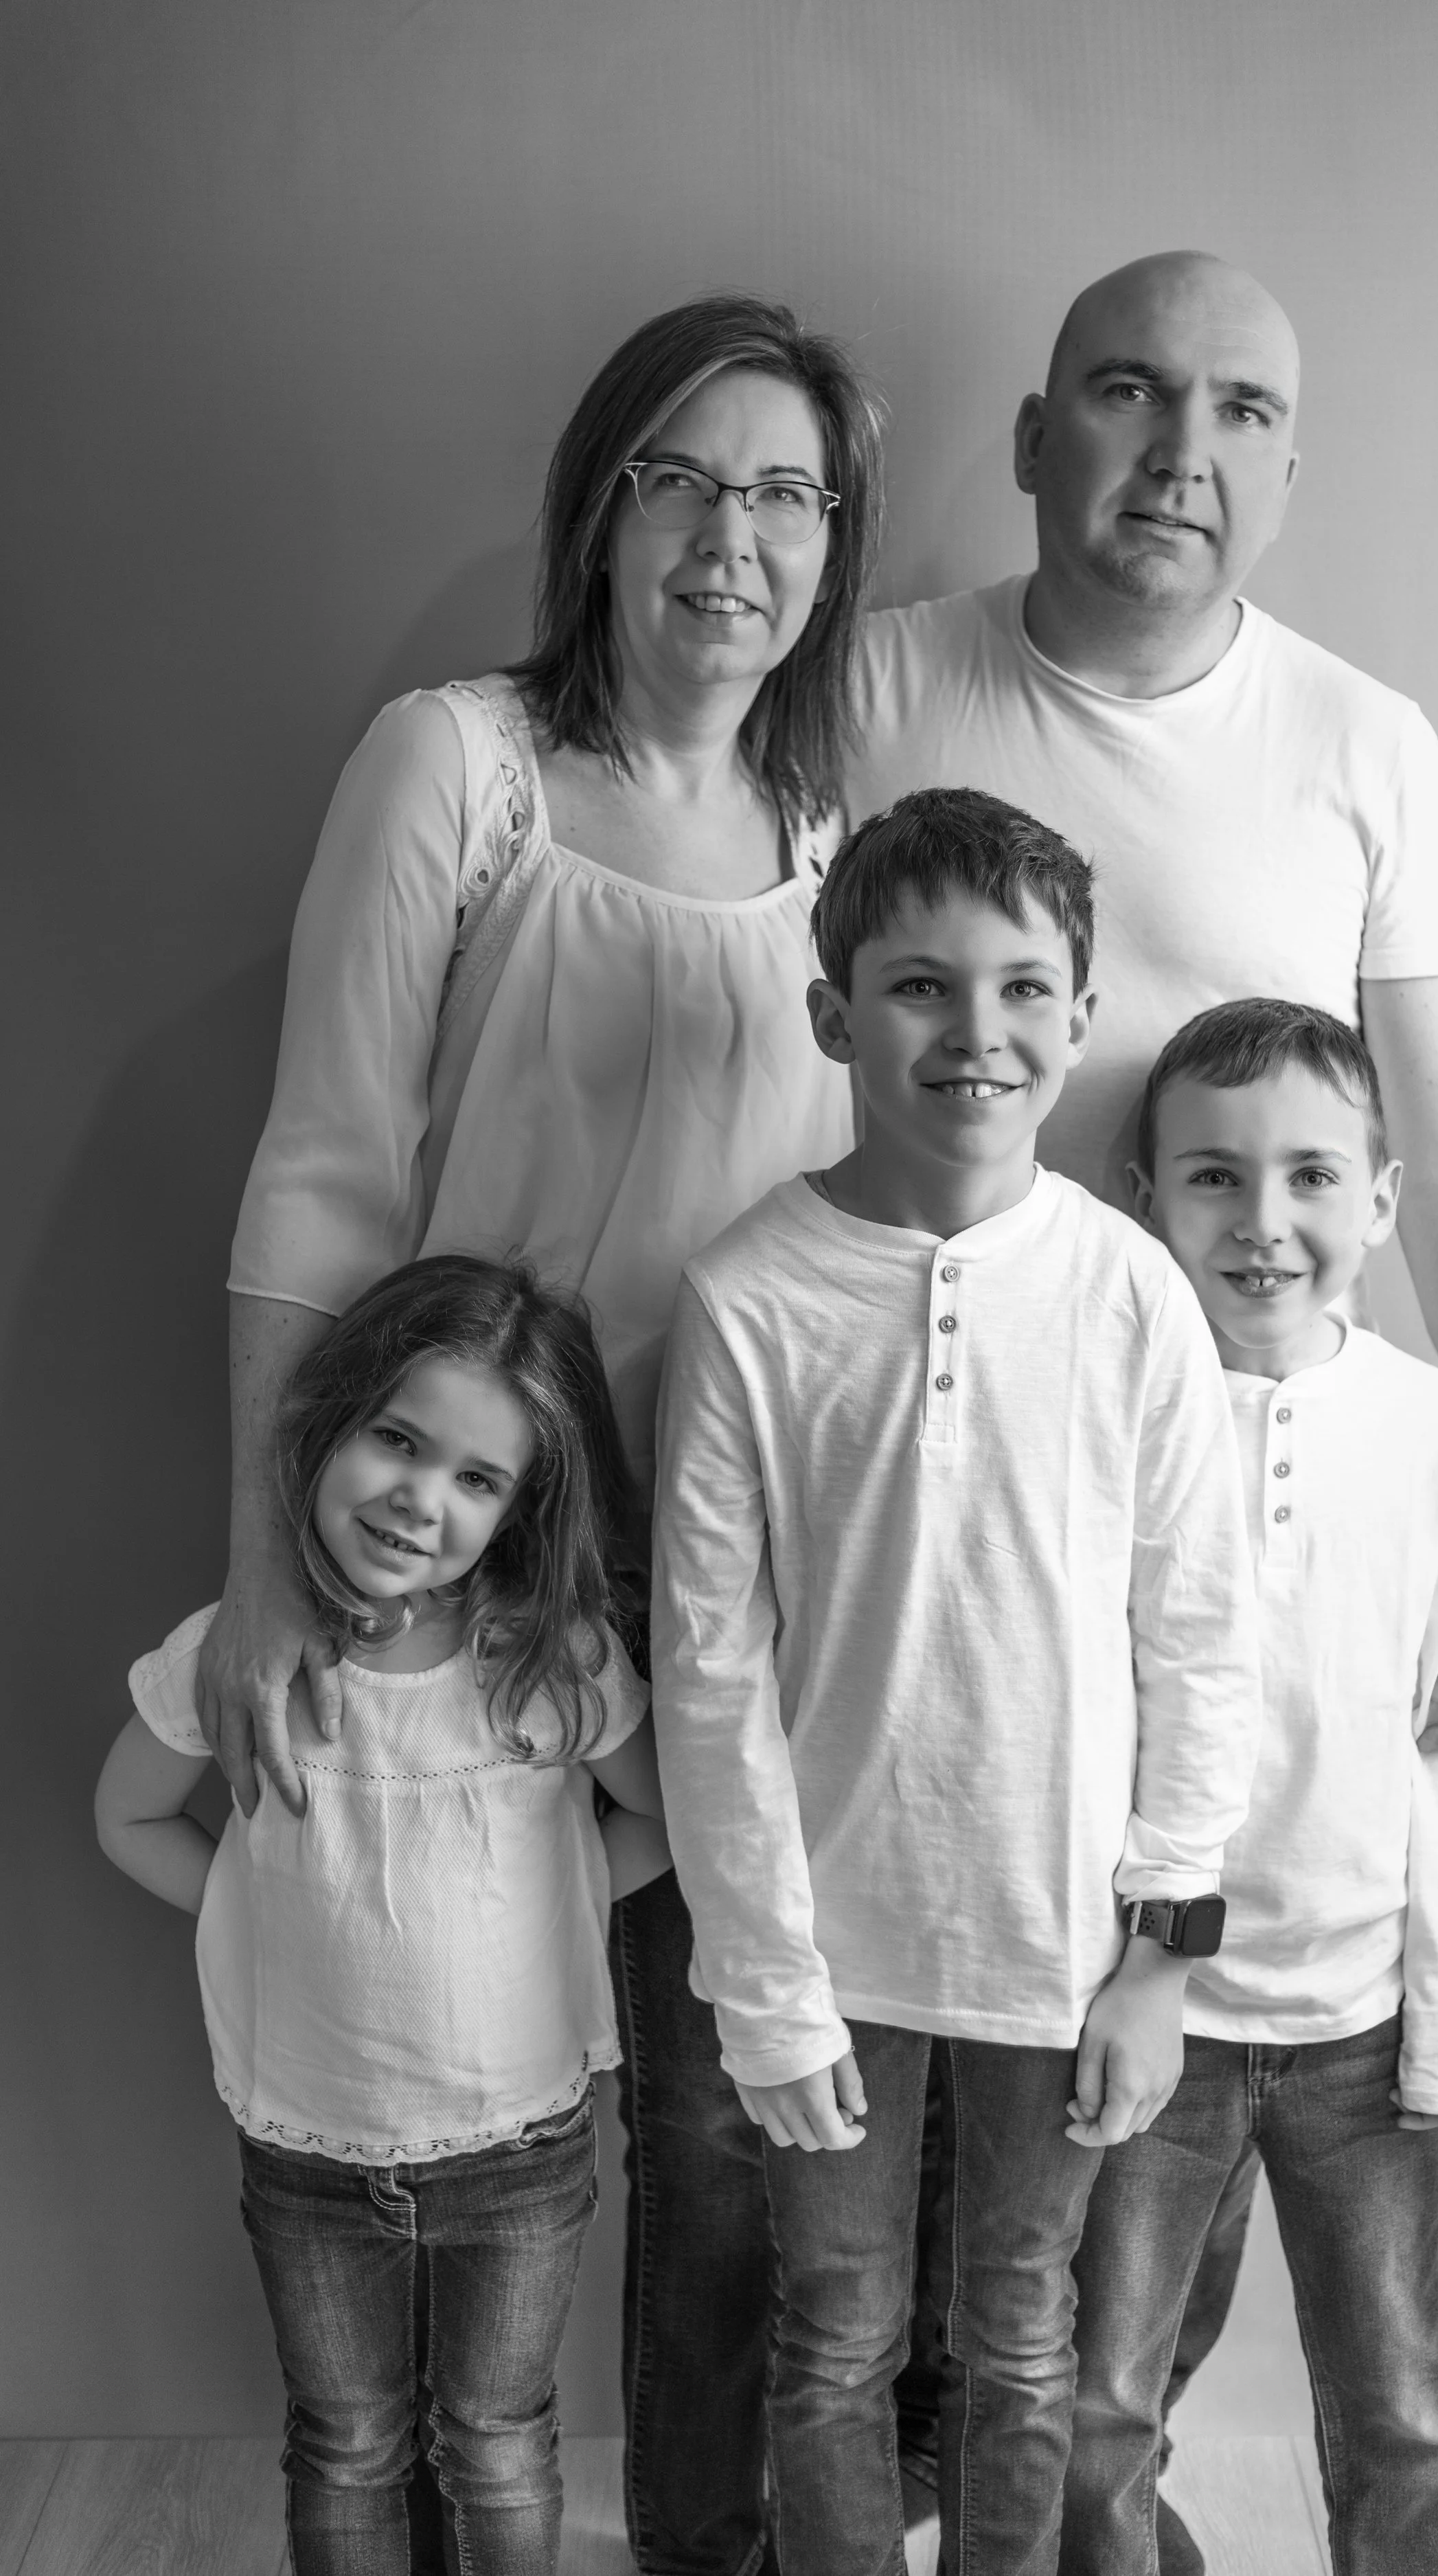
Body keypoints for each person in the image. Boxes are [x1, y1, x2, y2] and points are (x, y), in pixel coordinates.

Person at [848, 253, 1438, 2555]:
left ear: (1288, 462)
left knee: (1134, 2144)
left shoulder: (1365, 740)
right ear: (1043, 432)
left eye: (1246, 410)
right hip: (953, 1503)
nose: (1186, 453)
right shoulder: (887, 680)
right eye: (1133, 396)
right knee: (978, 2136)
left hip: (1230, 1528)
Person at [192, 294, 887, 2575]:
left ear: (833, 541)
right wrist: (277, 1561)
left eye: (787, 492)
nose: (731, 537)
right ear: (599, 507)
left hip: (749, 1577)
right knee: (455, 2070)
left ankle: (699, 2539)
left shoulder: (828, 820)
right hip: (478, 1565)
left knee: (715, 2110)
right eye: (680, 477)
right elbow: (321, 1168)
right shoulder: (458, 762)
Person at [650, 789, 1262, 2573]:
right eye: (919, 985)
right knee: (833, 2335)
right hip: (826, 1950)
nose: (974, 1032)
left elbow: (1198, 1635)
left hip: (1060, 1947)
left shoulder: (1132, 1293)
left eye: (1020, 987)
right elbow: (706, 1669)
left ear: (1078, 1016)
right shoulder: (747, 1294)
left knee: (1019, 2337)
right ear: (835, 1013)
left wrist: (1161, 1952)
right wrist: (761, 1984)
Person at [95, 1255, 664, 2576]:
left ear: (523, 1506)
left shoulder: (549, 1660)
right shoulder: (234, 1653)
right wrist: (261, 1915)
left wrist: (553, 1918)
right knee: (348, 2435)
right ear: (329, 1422)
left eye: (479, 1478)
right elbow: (126, 1819)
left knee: (500, 2434)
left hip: (519, 2142)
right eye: (398, 1441)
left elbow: (658, 1824)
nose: (421, 1498)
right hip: (307, 2142)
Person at [1059, 1000, 1438, 2575]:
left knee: (1398, 2404)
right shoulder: (1108, 1408)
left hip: (1356, 2025)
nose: (1262, 1223)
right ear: (1141, 1197)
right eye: (1213, 1180)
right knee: (1095, 2405)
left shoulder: (1427, 1424)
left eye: (1311, 1177)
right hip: (1149, 2013)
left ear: (1377, 1199)